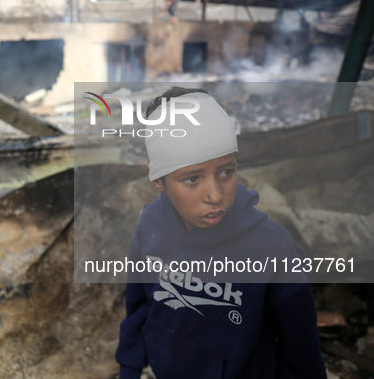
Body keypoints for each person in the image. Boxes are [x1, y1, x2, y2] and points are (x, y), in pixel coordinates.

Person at [115, 87, 327, 378]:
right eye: (192, 178)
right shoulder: (149, 225)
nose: (215, 195)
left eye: (226, 171)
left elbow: (300, 346)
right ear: (159, 182)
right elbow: (139, 308)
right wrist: (129, 368)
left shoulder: (272, 248)